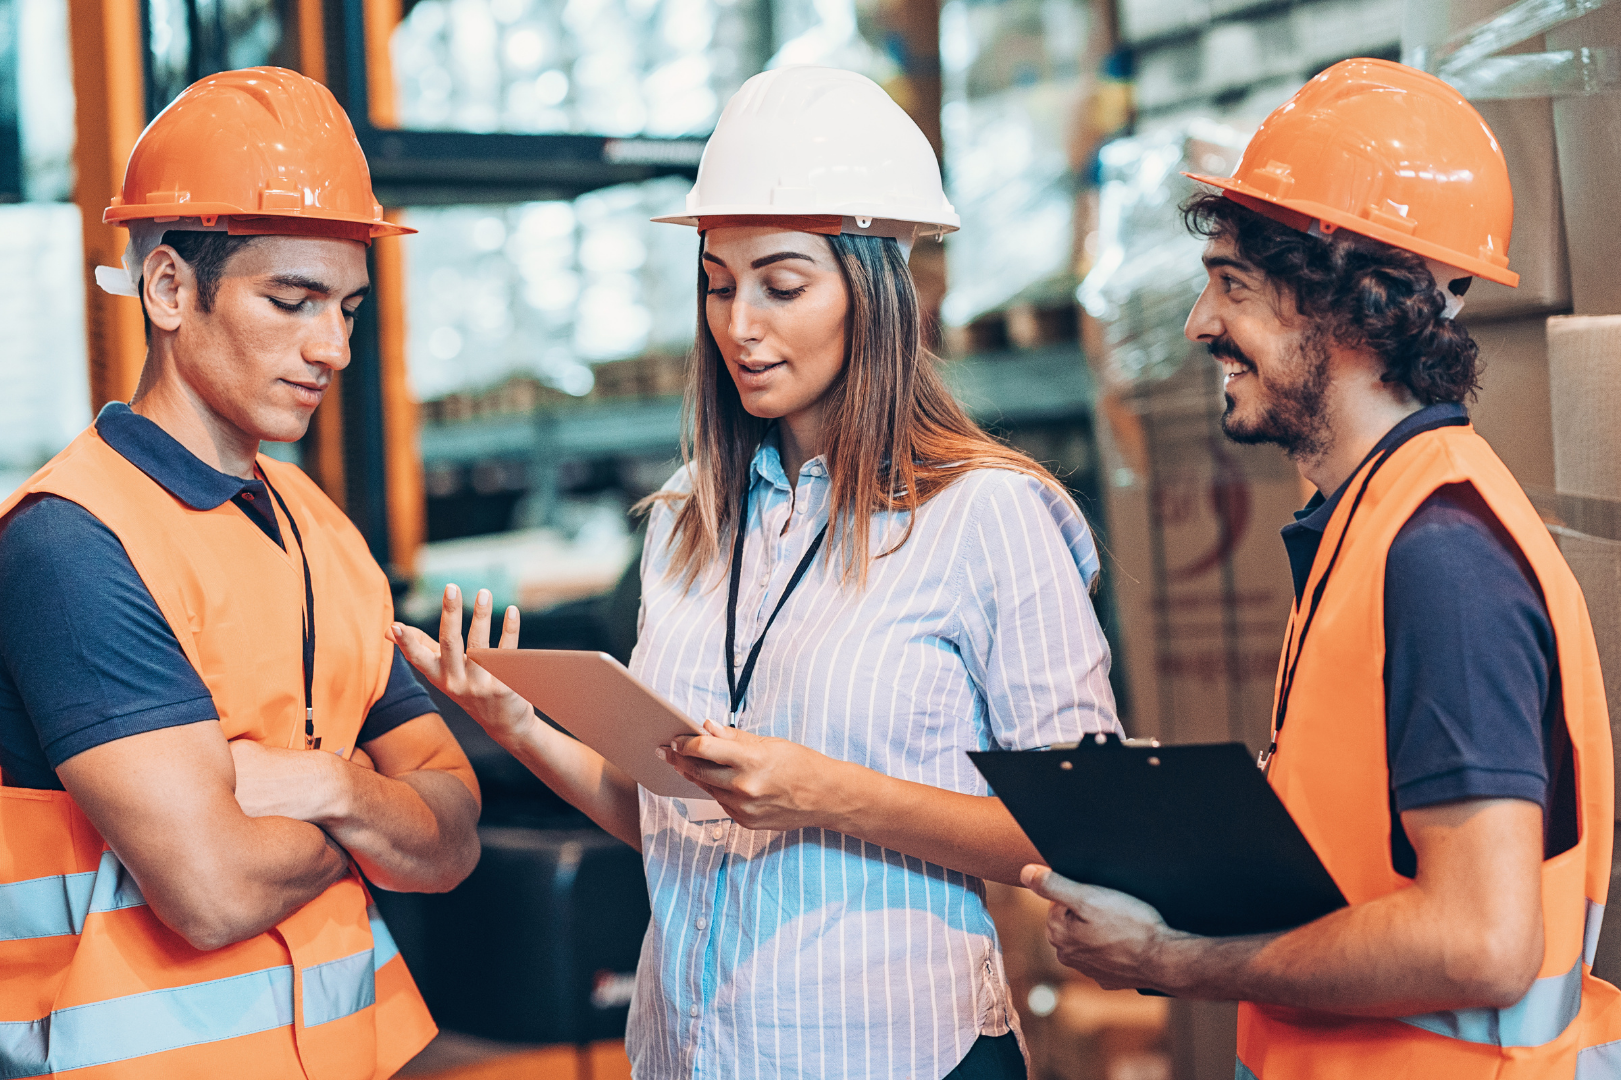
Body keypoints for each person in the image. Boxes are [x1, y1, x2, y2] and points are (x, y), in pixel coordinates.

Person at [395, 65, 1118, 1080]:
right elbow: (673, 824)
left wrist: (829, 794)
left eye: (781, 285)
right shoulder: (693, 516)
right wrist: (517, 724)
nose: (739, 324)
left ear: (872, 291)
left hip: (894, 1053)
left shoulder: (985, 516)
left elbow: (1090, 836)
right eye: (718, 283)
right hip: (691, 1052)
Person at [1023, 57, 1621, 1077]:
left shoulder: (1440, 559)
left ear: (1348, 308)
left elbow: (1480, 944)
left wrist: (1175, 957)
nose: (1199, 325)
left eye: (1233, 287)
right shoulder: (1374, 525)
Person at [0, 68, 479, 1078]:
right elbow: (210, 887)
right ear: (169, 288)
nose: (333, 347)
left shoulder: (321, 531)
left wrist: (317, 784)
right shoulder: (70, 545)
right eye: (293, 301)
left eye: (347, 307)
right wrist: (378, 817)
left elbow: (454, 835)